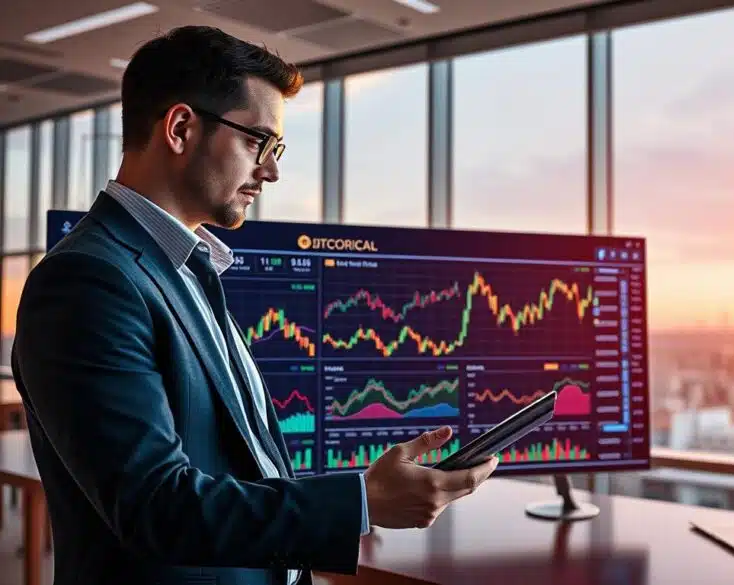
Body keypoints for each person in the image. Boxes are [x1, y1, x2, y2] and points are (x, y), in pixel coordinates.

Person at [11, 25, 498, 585]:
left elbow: (242, 464)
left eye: (276, 148)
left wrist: (366, 490)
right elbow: (156, 507)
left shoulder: (187, 268)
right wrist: (361, 503)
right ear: (180, 128)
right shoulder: (86, 282)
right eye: (258, 142)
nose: (271, 170)